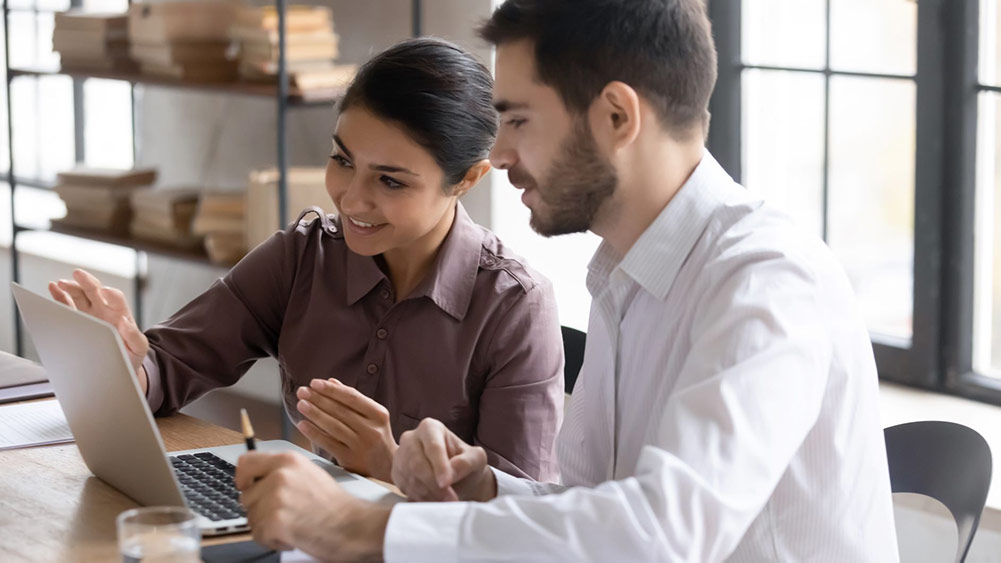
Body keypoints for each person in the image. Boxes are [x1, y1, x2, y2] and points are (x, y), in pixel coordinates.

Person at [233, 1, 900, 560]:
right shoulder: (623, 276)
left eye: (517, 119)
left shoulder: (764, 280)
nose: (496, 155)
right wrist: (485, 487)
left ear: (616, 117)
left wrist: (357, 524)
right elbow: (598, 514)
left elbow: (659, 535)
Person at [48, 37, 564, 485]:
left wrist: (391, 466)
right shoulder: (302, 255)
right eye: (342, 160)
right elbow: (172, 366)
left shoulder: (515, 308)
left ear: (468, 180)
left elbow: (522, 523)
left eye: (390, 181)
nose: (351, 199)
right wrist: (122, 361)